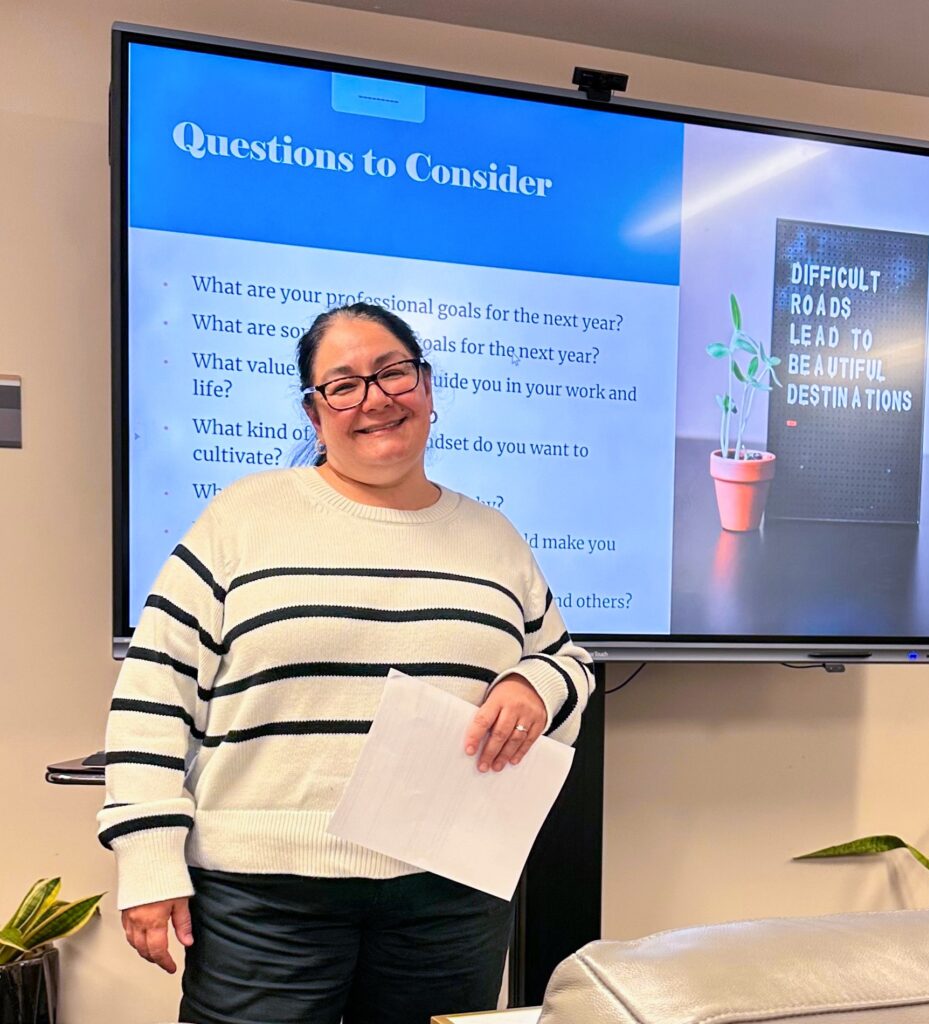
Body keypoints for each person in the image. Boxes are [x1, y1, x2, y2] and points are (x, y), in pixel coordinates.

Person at [98, 302, 594, 1024]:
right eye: (344, 385)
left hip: (450, 896)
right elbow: (153, 694)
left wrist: (535, 684)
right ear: (314, 412)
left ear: (426, 385)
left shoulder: (495, 538)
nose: (375, 399)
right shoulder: (242, 518)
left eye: (393, 372)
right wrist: (148, 860)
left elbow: (566, 661)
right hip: (263, 898)